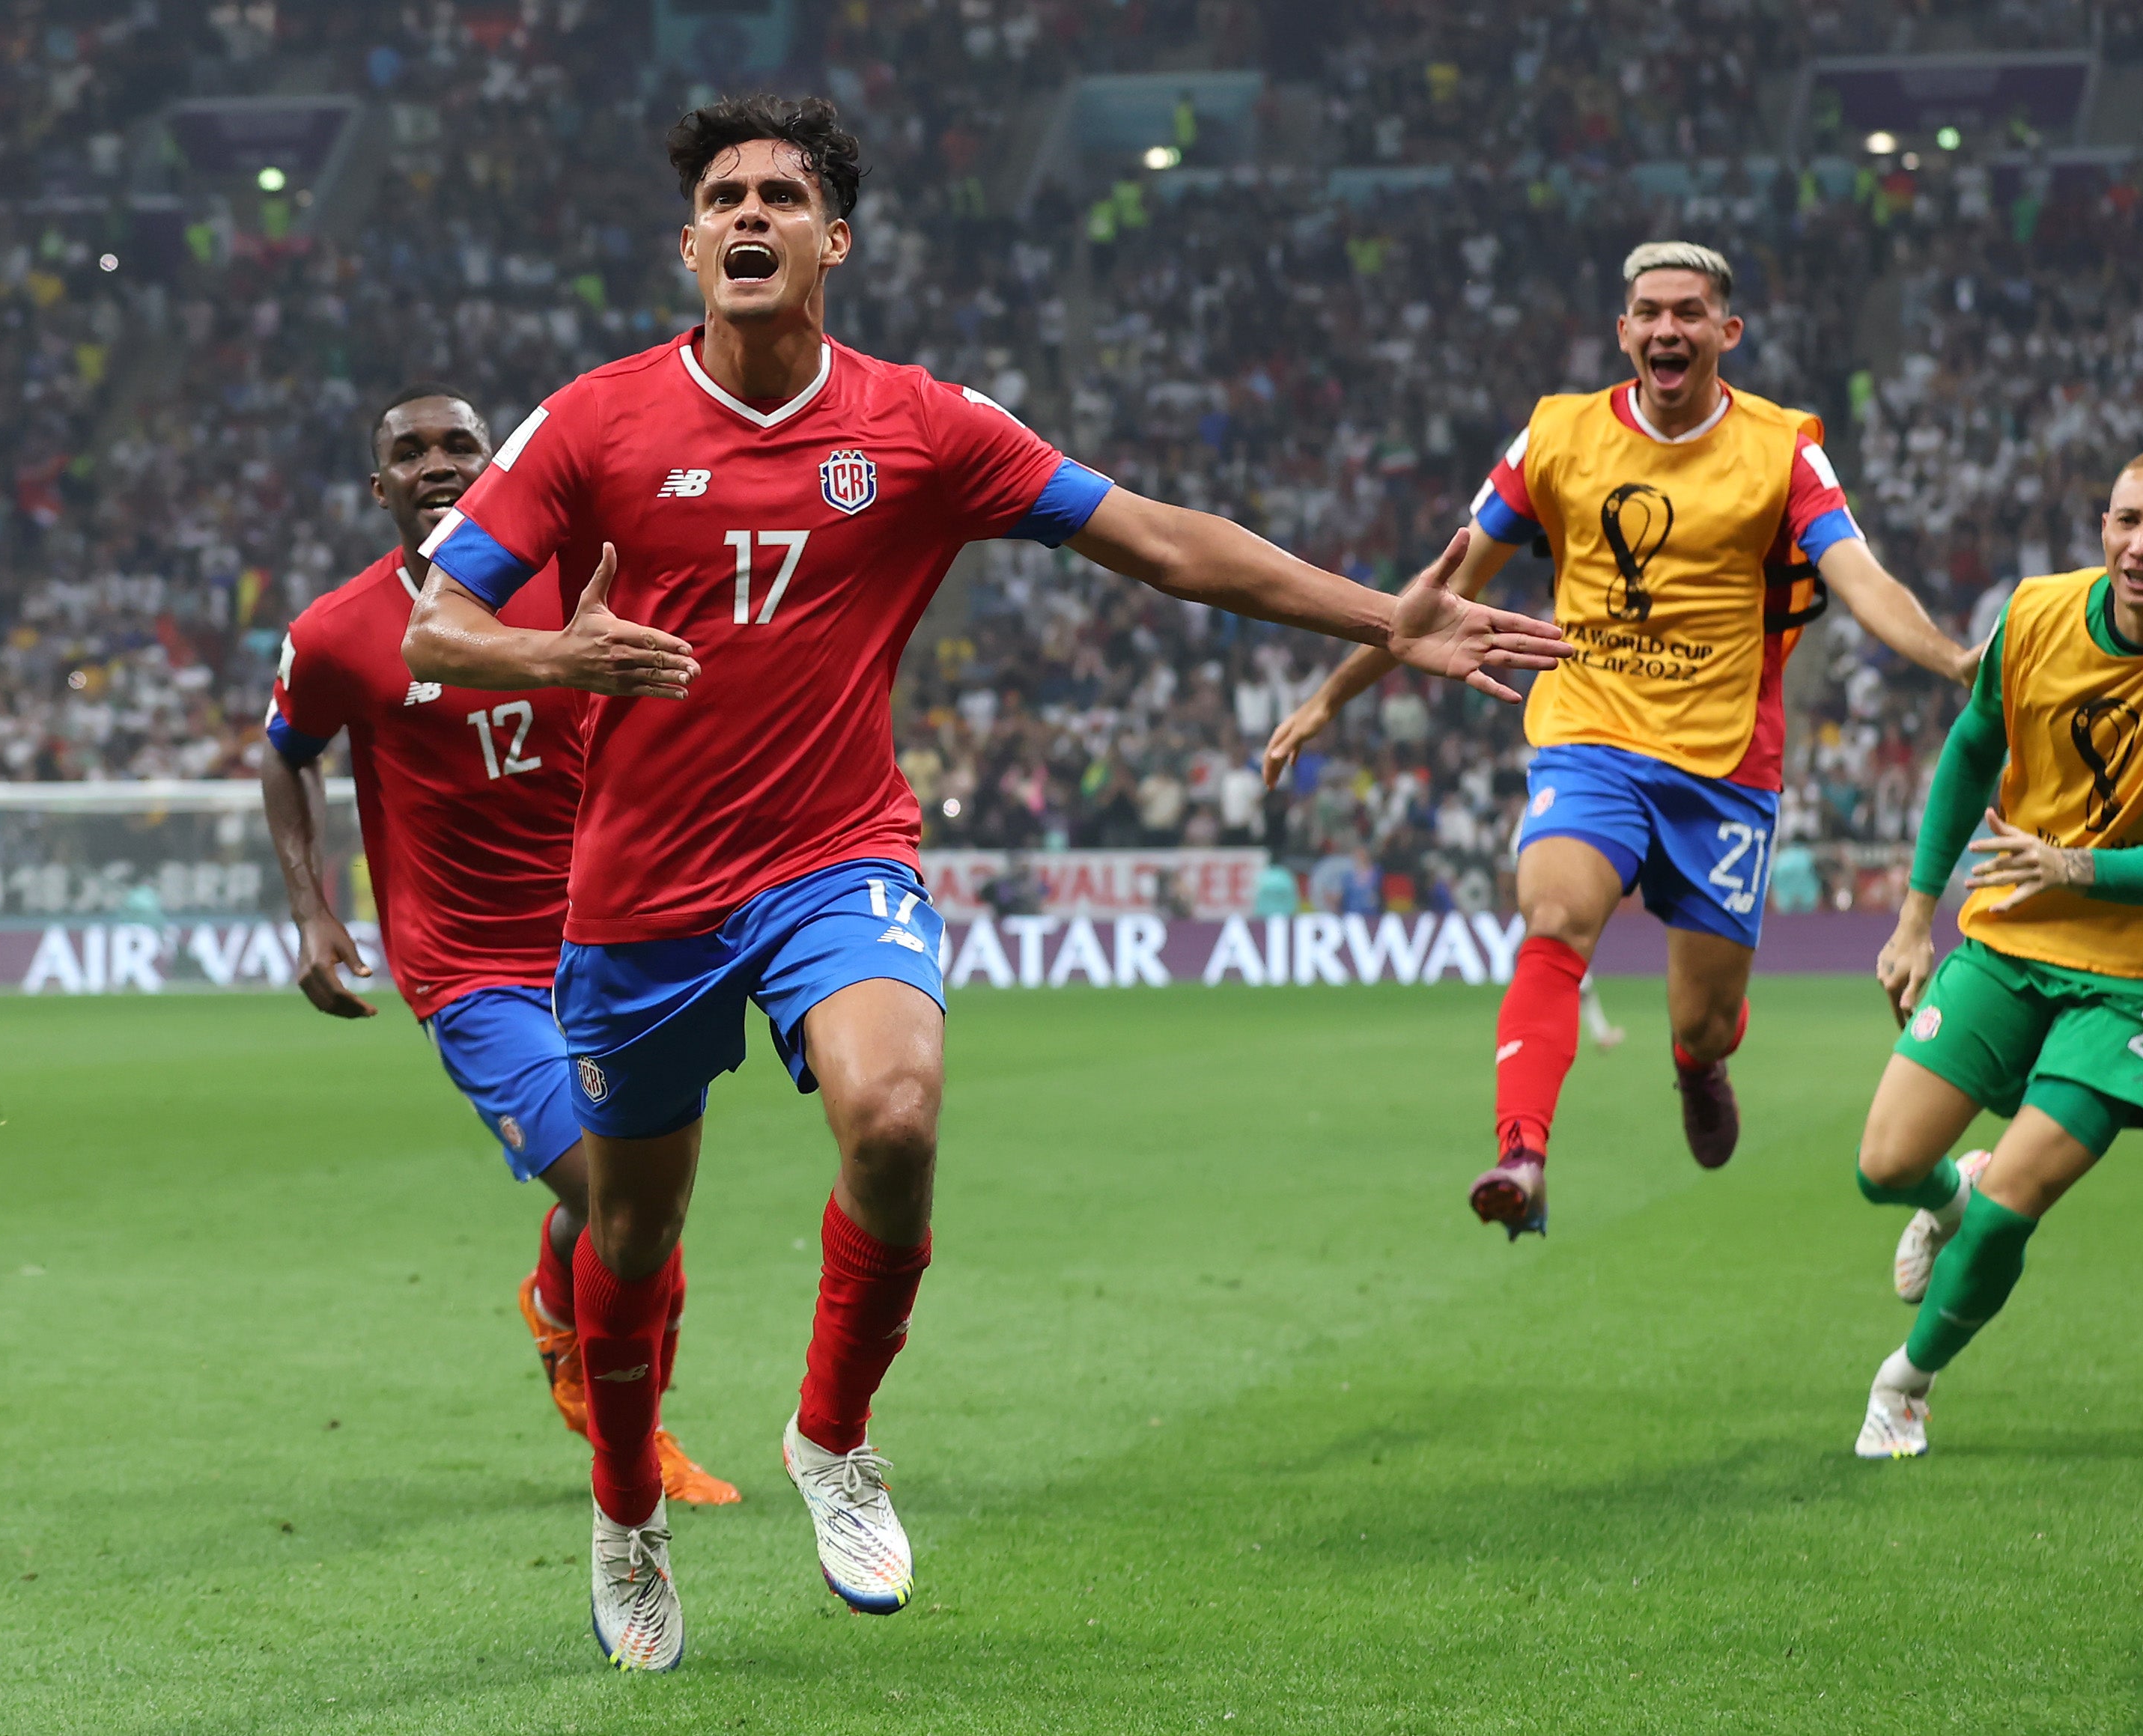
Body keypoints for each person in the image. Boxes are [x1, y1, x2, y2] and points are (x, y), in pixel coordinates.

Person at [398, 95, 1572, 1671]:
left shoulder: (921, 422)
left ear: (836, 241)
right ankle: (624, 1513)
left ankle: (834, 1434)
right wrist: (562, 648)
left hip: (833, 853)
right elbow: (435, 630)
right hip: (642, 891)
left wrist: (1386, 619)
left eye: (783, 197)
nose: (751, 217)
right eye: (725, 199)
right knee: (626, 1232)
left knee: (894, 1112)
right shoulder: (596, 421)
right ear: (689, 245)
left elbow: (1155, 538)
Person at [1262, 240, 1975, 1238]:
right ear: (1624, 331)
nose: (1667, 329)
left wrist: (1950, 659)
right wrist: (1333, 697)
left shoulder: (1781, 447)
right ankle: (1523, 1153)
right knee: (1553, 915)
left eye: (1689, 312)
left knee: (1703, 1016)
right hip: (1587, 731)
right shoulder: (1557, 435)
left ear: (1726, 332)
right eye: (1649, 312)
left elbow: (1856, 573)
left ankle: (1698, 1061)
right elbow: (1443, 591)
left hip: (1725, 765)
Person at [259, 383, 738, 1511]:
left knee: (626, 1206)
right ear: (378, 488)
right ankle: (638, 1441)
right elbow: (287, 753)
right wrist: (314, 909)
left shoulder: (578, 583)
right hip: (470, 966)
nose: (438, 463)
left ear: (501, 460)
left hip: (613, 938)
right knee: (627, 1204)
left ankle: (554, 1291)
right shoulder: (338, 632)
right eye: (409, 451)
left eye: (460, 444)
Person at [1849, 450, 2143, 1459]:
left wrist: (2077, 865)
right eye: (2127, 520)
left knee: (2015, 1204)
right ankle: (1946, 1196)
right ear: (2102, 526)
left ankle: (1904, 1385)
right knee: (1885, 1165)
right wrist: (1915, 916)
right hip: (2015, 934)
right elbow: (1972, 747)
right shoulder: (2038, 612)